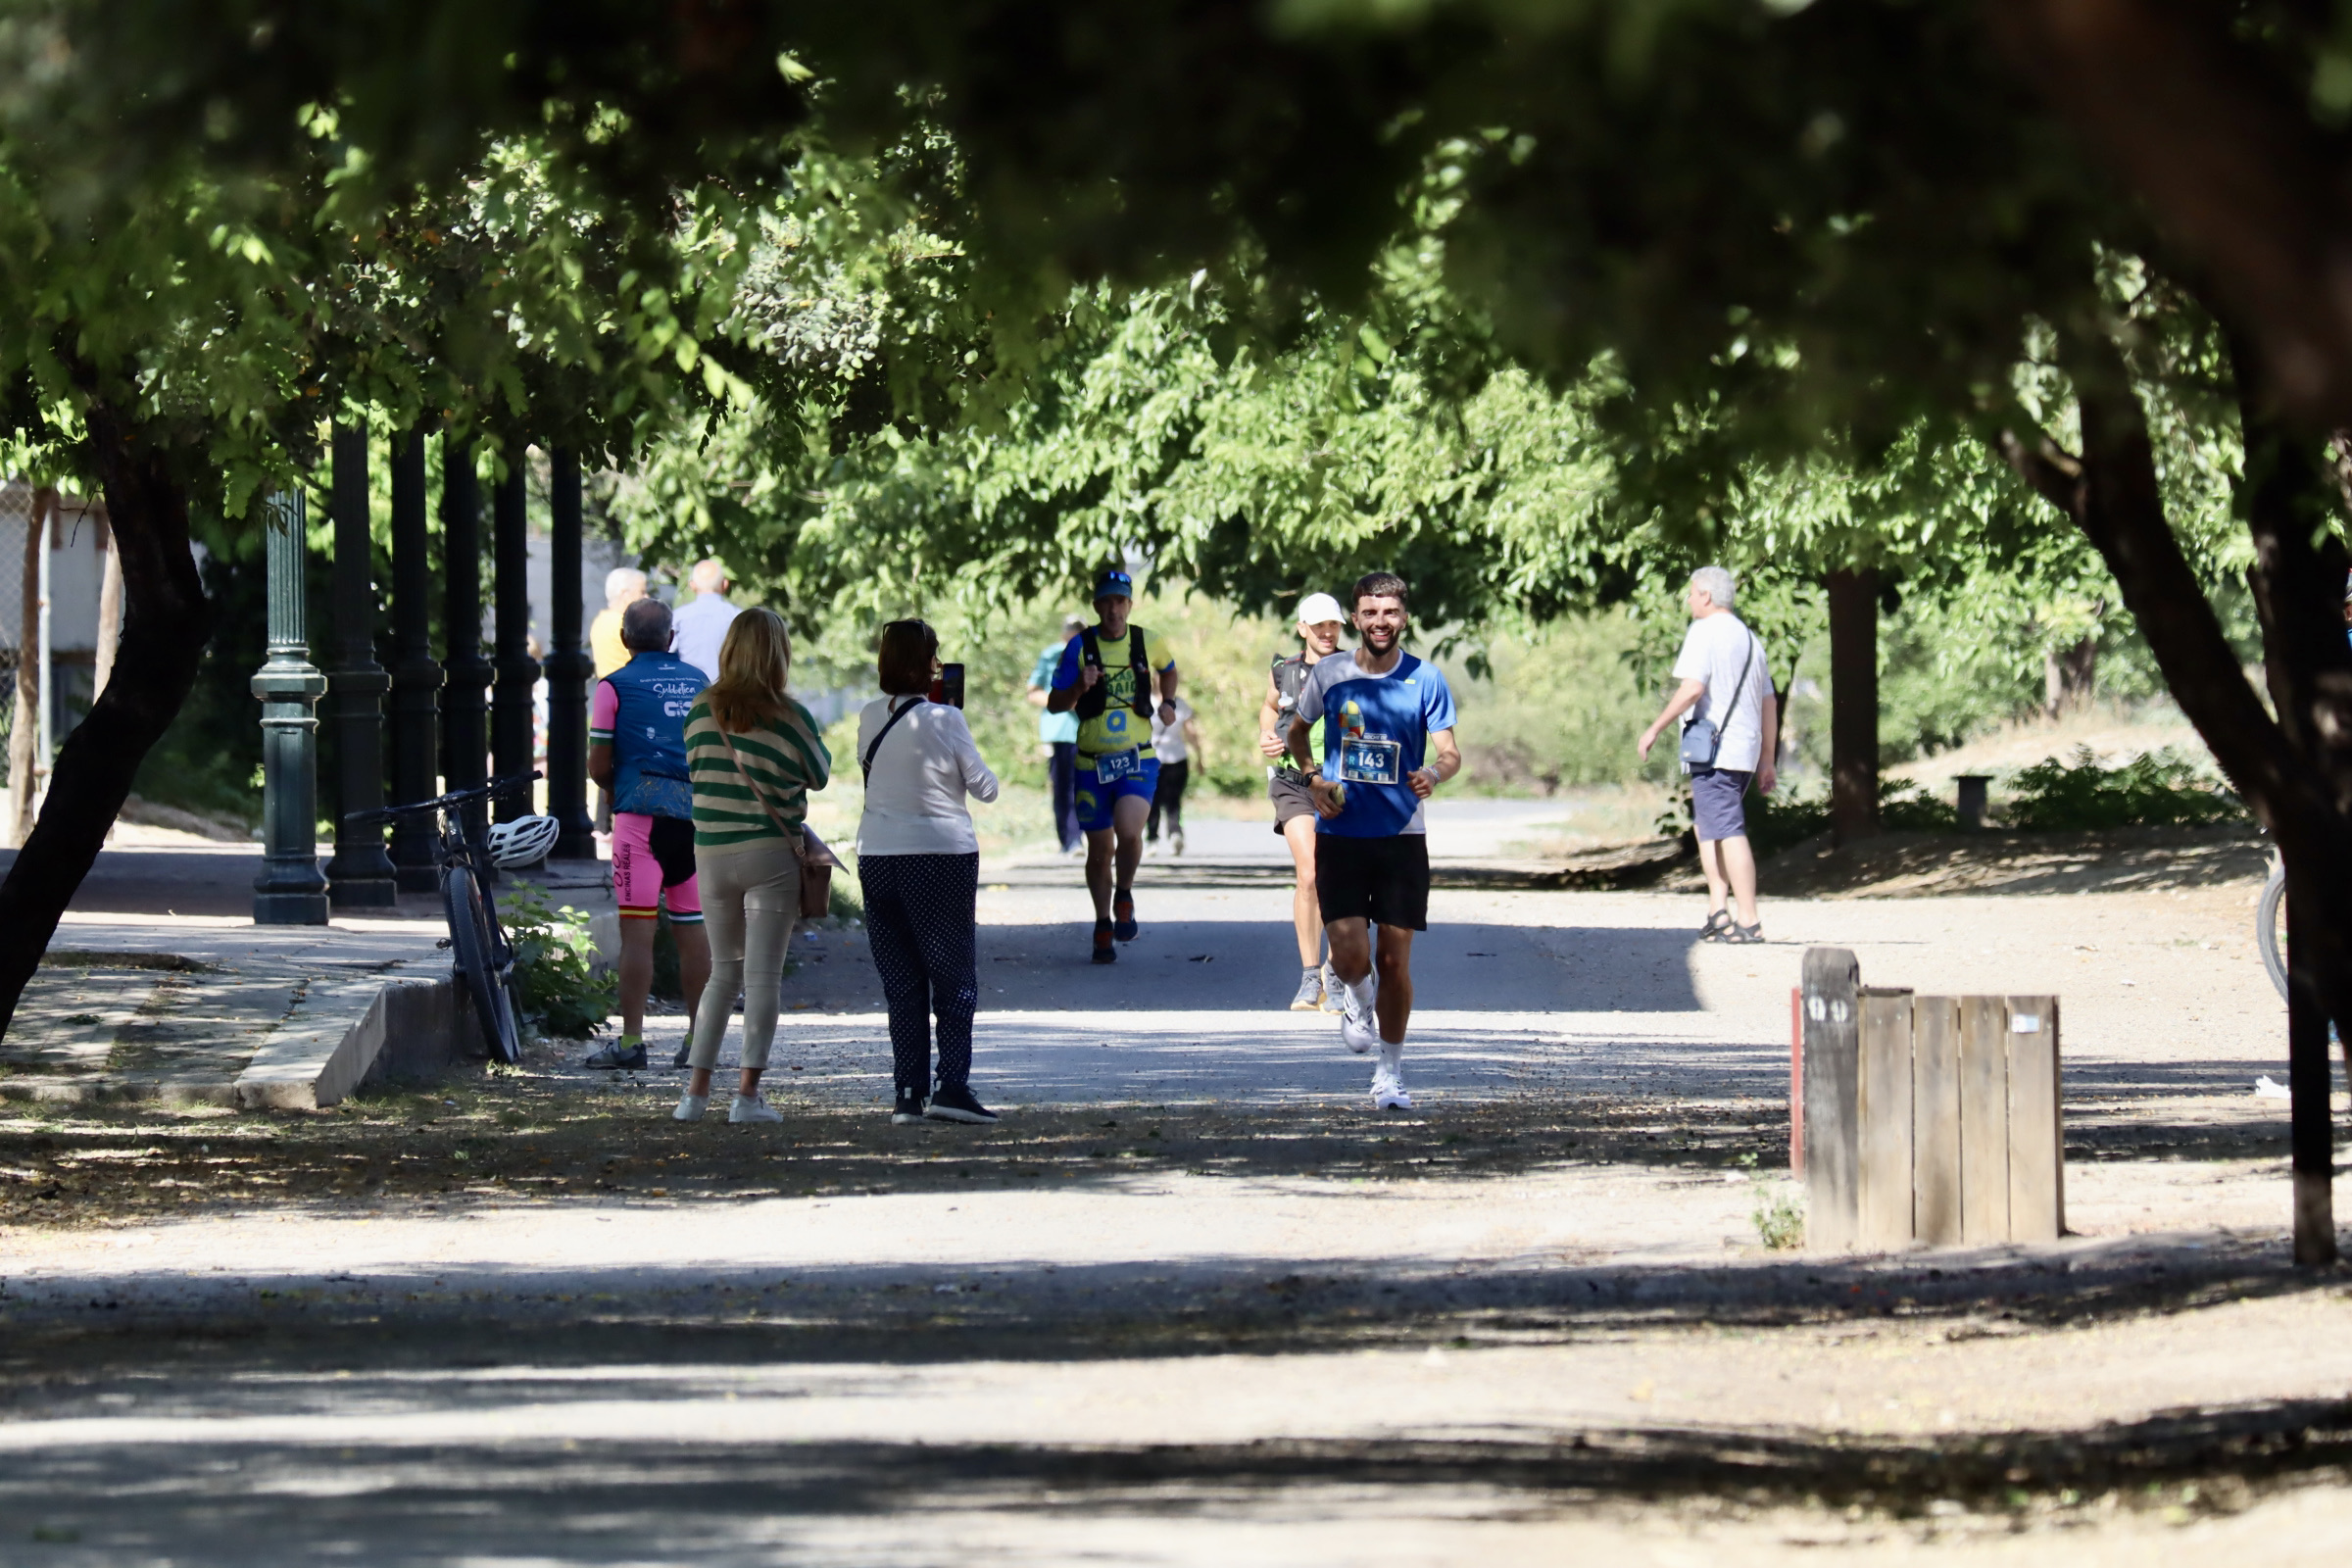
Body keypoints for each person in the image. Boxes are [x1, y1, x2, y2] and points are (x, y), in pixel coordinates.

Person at [1287, 571, 1461, 1111]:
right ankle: (1357, 1000)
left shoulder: (1426, 679)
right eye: (1369, 613)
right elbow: (1296, 730)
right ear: (1356, 618)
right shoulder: (1332, 673)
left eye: (1390, 612)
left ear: (1403, 616)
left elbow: (1451, 752)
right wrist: (1313, 778)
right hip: (1340, 833)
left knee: (1394, 961)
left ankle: (1390, 1073)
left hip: (1401, 836)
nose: (1380, 622)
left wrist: (1434, 772)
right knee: (1350, 958)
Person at [673, 608, 833, 1123]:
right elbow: (820, 774)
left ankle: (693, 1097)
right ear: (778, 654)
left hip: (712, 854)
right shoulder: (791, 716)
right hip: (769, 854)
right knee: (763, 978)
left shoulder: (700, 711)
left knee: (722, 974)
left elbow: (694, 769)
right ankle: (746, 1098)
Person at [857, 619, 1003, 1125]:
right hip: (940, 856)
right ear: (928, 666)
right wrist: (953, 723)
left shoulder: (869, 716)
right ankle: (953, 1085)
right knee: (953, 975)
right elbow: (985, 788)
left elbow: (871, 772)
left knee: (901, 980)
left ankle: (906, 1093)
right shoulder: (947, 719)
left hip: (876, 855)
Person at [585, 598, 711, 1070]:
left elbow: (599, 765)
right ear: (671, 638)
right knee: (694, 930)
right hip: (696, 819)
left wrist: (622, 784)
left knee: (637, 933)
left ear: (623, 639)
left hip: (638, 819)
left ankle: (632, 1041)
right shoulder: (701, 683)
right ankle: (699, 1040)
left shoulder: (612, 687)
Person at [1638, 564, 1779, 944]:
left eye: (1690, 592)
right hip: (1742, 749)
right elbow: (1768, 701)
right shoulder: (1750, 639)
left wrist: (1655, 727)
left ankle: (1748, 918)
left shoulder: (1704, 632)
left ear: (1705, 595)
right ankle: (1719, 909)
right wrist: (1767, 758)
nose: (1687, 599)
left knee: (1727, 830)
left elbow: (1693, 688)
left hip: (1717, 750)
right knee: (1709, 827)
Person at [1048, 569, 1181, 964]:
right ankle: (1102, 921)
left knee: (1128, 830)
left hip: (1137, 758)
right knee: (1099, 848)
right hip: (1091, 763)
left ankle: (1124, 892)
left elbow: (1169, 668)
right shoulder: (1079, 647)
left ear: (1129, 605)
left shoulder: (1146, 640)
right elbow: (1055, 703)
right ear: (1096, 607)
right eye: (1106, 601)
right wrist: (1079, 687)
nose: (1113, 609)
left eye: (1120, 601)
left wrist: (1168, 702)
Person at [1260, 591, 1348, 1011]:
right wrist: (1266, 734)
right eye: (1319, 627)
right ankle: (1310, 976)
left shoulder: (1353, 669)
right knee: (1310, 873)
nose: (1327, 633)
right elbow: (1268, 708)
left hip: (1339, 785)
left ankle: (1336, 970)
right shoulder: (1284, 671)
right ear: (1303, 630)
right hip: (1294, 782)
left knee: (1340, 876)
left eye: (1332, 626)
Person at [1027, 613, 1088, 854]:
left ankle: (1078, 837)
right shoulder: (1051, 655)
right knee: (1061, 785)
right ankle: (1067, 839)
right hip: (1058, 731)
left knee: (1082, 785)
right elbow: (1033, 691)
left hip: (1086, 731)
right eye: (1071, 630)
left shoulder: (1093, 656)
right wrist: (1063, 701)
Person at [1145, 691, 1200, 855]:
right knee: (1169, 801)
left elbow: (1191, 732)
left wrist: (1199, 756)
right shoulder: (1178, 704)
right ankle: (1171, 833)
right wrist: (1199, 756)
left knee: (1158, 800)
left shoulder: (1148, 702)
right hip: (1169, 757)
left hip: (1165, 757)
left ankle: (1156, 838)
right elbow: (1191, 732)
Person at [670, 559, 742, 681]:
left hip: (687, 690)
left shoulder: (677, 618)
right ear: (725, 584)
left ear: (692, 585)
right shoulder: (738, 617)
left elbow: (668, 653)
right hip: (727, 691)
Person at [589, 565, 647, 682]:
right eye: (642, 592)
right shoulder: (626, 625)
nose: (646, 597)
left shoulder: (600, 620)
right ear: (624, 593)